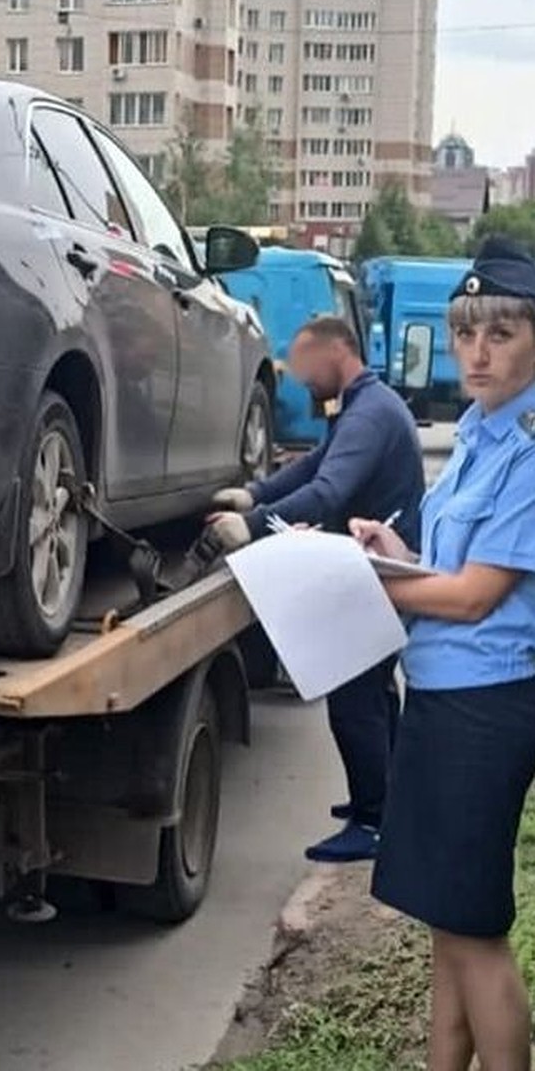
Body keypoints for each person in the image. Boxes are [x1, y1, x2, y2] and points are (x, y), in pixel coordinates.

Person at [352, 237, 535, 1071]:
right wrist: (393, 549)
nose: (476, 352)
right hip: (438, 697)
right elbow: (447, 571)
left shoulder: (529, 450)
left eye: (500, 333)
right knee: (444, 928)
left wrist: (370, 585)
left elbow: (473, 597)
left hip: (484, 710)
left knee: (475, 936)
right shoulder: (477, 431)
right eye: (466, 333)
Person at [205, 315, 425, 862]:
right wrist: (254, 495)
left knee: (353, 697)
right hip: (372, 563)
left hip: (374, 565)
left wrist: (249, 528)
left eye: (307, 365)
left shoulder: (369, 414)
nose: (302, 380)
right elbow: (311, 469)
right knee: (375, 690)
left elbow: (328, 492)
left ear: (337, 352)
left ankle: (373, 821)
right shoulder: (362, 407)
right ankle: (389, 802)